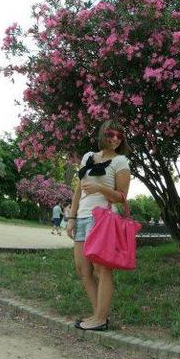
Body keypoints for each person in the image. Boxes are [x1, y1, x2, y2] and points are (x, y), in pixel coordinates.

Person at [66, 119, 131, 331]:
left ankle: (100, 318)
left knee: (102, 269)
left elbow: (122, 197)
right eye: (112, 134)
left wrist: (100, 188)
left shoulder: (121, 162)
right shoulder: (88, 157)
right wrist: (72, 217)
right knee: (82, 269)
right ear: (104, 133)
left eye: (119, 136)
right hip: (83, 217)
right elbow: (78, 189)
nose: (115, 139)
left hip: (101, 218)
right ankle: (98, 315)